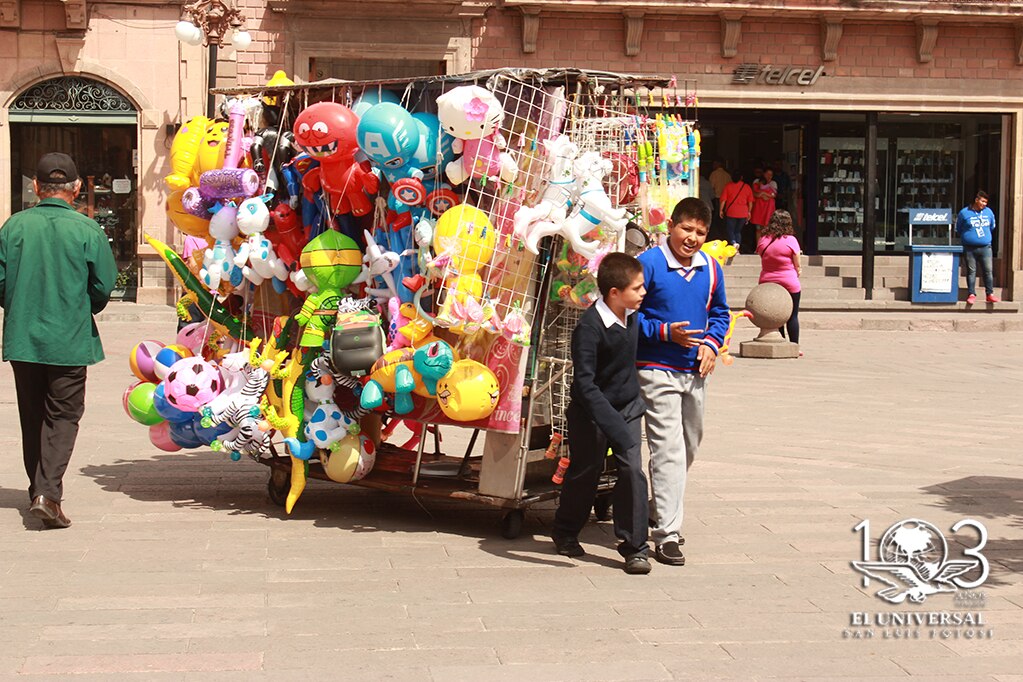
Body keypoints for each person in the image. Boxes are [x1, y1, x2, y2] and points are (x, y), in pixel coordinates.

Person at [0, 152, 117, 529]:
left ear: (36, 187)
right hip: (68, 338)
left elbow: (0, 282)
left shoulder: (14, 227)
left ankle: (40, 490)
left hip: (24, 338)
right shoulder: (87, 229)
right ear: (77, 188)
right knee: (63, 416)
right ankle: (47, 494)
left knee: (32, 415)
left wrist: (19, 305)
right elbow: (103, 286)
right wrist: (79, 307)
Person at [635, 197, 730, 566]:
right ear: (670, 226)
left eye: (700, 232)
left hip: (695, 372)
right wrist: (663, 332)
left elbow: (720, 313)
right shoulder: (649, 264)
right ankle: (667, 534)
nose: (692, 238)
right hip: (655, 368)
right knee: (668, 449)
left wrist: (711, 344)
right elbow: (628, 313)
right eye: (686, 229)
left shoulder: (712, 268)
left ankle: (658, 507)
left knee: (690, 444)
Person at [552, 252, 651, 575]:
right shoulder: (589, 328)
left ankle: (635, 548)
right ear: (614, 293)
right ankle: (565, 531)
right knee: (586, 472)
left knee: (632, 470)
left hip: (628, 406)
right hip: (591, 413)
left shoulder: (632, 315)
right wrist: (612, 425)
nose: (643, 292)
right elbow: (585, 385)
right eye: (637, 288)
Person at [756, 210, 802, 345]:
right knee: (792, 316)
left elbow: (762, 256)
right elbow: (797, 263)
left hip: (767, 282)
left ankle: (780, 343)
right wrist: (798, 270)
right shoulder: (791, 240)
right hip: (789, 282)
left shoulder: (763, 239)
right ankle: (794, 345)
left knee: (776, 316)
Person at [956, 190, 999, 304]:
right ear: (976, 200)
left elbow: (992, 226)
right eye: (982, 201)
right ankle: (971, 294)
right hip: (969, 248)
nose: (984, 204)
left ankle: (989, 294)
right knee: (971, 271)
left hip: (985, 247)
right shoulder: (964, 213)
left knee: (988, 271)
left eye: (986, 202)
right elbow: (959, 228)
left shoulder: (989, 212)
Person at [718, 170, 753, 251]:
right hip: (743, 213)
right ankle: (737, 247)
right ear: (741, 177)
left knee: (730, 230)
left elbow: (723, 200)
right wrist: (749, 212)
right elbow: (750, 202)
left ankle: (734, 243)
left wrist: (721, 210)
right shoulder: (747, 187)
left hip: (731, 212)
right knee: (738, 231)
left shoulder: (728, 186)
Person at [749, 168, 778, 253]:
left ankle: (767, 248)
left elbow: (773, 195)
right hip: (759, 209)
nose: (769, 176)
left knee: (768, 229)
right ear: (763, 174)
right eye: (767, 174)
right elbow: (754, 194)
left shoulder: (773, 183)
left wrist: (762, 194)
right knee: (758, 229)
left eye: (771, 175)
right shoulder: (756, 181)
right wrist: (763, 194)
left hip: (769, 209)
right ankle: (758, 248)